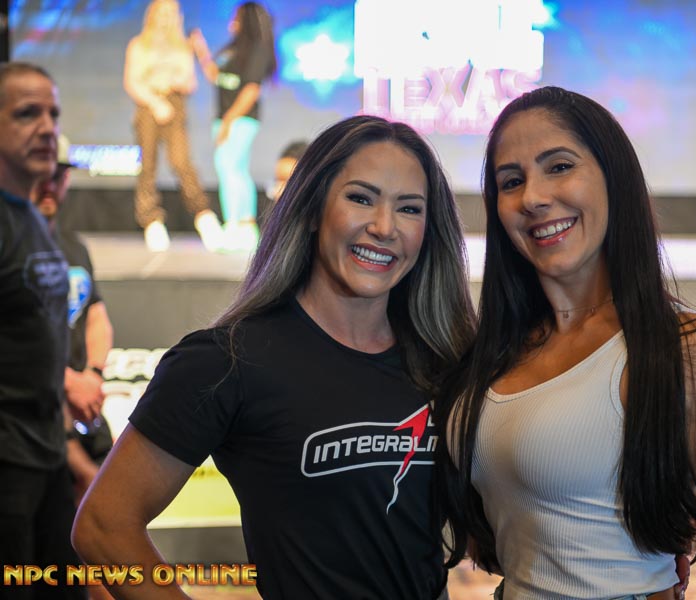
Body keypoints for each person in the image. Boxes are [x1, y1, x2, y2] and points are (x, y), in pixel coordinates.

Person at [72, 115, 475, 599]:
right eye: (360, 198)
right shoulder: (226, 361)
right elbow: (103, 525)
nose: (384, 227)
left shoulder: (442, 360)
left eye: (409, 208)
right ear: (312, 210)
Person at [435, 87, 696, 599]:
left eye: (559, 166)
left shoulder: (694, 351)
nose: (533, 197)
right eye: (512, 181)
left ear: (613, 178)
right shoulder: (492, 356)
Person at [0, 61, 85, 600]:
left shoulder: (31, 217)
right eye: (27, 114)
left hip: (46, 452)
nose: (48, 128)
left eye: (53, 113)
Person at [33, 135, 115, 511]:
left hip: (83, 409)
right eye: (42, 175)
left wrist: (92, 375)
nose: (50, 185)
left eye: (59, 175)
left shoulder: (73, 246)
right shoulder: (10, 245)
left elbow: (96, 315)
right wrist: (70, 383)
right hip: (33, 419)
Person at [124, 0, 224, 252]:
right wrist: (155, 101)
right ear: (152, 15)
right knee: (148, 164)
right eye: (162, 13)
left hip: (175, 104)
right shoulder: (139, 44)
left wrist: (174, 81)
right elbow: (132, 81)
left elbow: (190, 83)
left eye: (172, 13)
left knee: (181, 161)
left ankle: (203, 214)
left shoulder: (182, 46)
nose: (166, 18)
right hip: (148, 104)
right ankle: (151, 220)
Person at [191, 1, 277, 251]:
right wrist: (201, 50)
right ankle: (242, 226)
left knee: (230, 168)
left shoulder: (257, 49)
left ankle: (238, 225)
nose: (232, 22)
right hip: (226, 119)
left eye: (236, 17)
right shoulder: (233, 48)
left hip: (240, 119)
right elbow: (216, 76)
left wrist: (229, 120)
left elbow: (251, 90)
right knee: (233, 169)